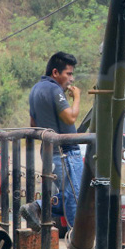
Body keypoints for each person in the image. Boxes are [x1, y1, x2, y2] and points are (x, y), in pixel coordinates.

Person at [20, 52, 83, 234]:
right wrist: (77, 97)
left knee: (71, 195)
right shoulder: (54, 90)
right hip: (66, 151)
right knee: (75, 198)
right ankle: (78, 246)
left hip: (49, 151)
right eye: (68, 74)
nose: (71, 79)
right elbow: (70, 117)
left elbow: (33, 123)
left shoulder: (35, 89)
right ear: (55, 72)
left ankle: (37, 208)